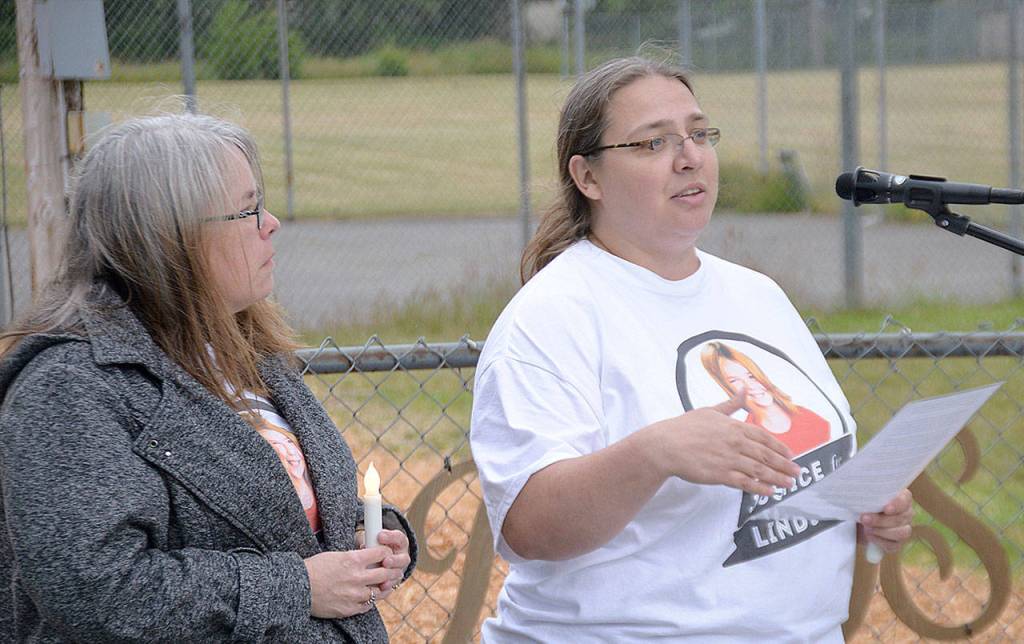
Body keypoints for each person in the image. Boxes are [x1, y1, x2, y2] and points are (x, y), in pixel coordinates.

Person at [470, 57, 913, 642]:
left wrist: (860, 506)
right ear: (588, 177)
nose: (689, 156)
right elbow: (528, 528)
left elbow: (797, 465)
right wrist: (654, 453)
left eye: (699, 134)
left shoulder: (756, 294)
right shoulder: (553, 316)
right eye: (654, 143)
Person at [0, 113, 416, 642]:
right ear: (168, 238)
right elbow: (96, 589)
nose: (272, 223)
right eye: (248, 209)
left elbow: (265, 519)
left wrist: (371, 533)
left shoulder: (240, 351)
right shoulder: (68, 387)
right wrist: (295, 589)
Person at [701, 340, 830, 456]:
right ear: (727, 389)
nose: (750, 385)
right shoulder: (747, 439)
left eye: (751, 376)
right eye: (735, 381)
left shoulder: (807, 417)